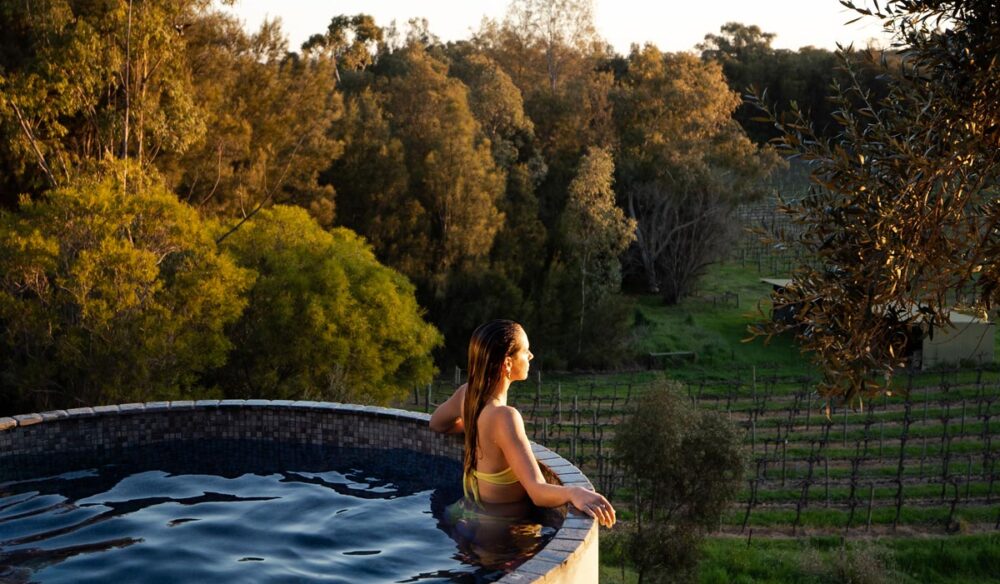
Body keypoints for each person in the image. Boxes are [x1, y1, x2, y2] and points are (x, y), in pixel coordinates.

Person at [430, 319, 616, 528]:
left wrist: (474, 427)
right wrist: (574, 492)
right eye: (526, 351)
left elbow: (437, 424)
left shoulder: (467, 394)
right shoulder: (505, 417)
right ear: (507, 363)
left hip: (462, 511)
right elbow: (537, 492)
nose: (531, 356)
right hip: (496, 530)